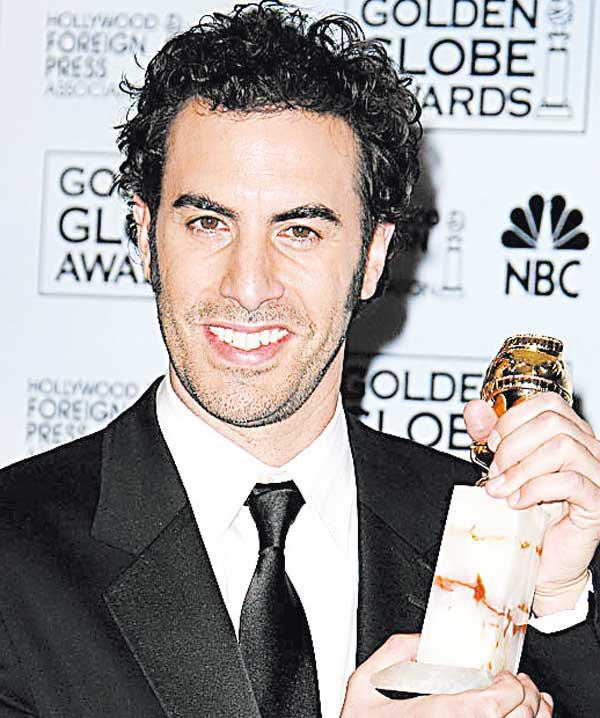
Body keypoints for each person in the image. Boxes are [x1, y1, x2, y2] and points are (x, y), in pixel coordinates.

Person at [1, 3, 599, 716]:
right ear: (143, 236)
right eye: (208, 223)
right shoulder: (13, 553)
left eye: (300, 231)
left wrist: (554, 602)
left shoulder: (481, 533)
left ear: (372, 256)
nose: (248, 285)